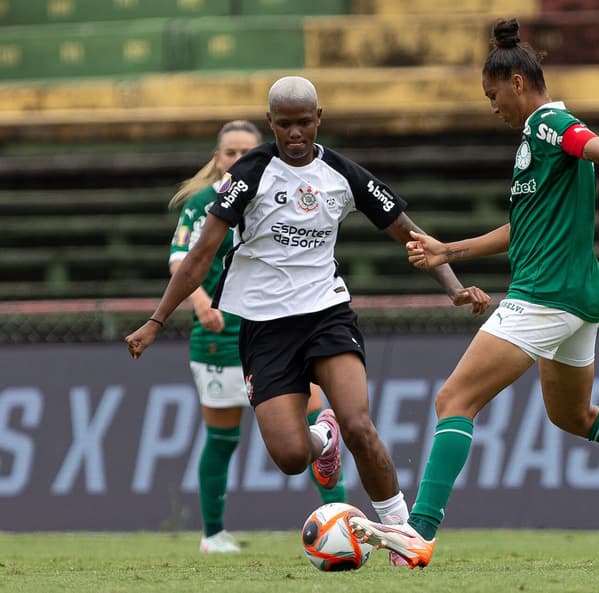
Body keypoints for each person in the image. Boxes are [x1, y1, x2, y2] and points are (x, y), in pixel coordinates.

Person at [348, 18, 599, 568]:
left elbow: (596, 147)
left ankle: (419, 533)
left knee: (454, 401)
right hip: (577, 297)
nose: (492, 105)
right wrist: (446, 251)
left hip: (546, 295)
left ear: (517, 83)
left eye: (493, 94)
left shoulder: (550, 123)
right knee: (573, 416)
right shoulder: (533, 141)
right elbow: (521, 229)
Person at [125, 76, 491, 565]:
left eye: (304, 123)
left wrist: (453, 288)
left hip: (326, 315)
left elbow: (410, 233)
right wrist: (156, 320)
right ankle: (324, 438)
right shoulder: (250, 175)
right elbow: (200, 253)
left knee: (361, 424)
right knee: (292, 457)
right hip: (264, 327)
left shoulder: (343, 175)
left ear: (319, 119)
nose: (295, 133)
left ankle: (405, 536)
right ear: (271, 122)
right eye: (285, 124)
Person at [167, 120, 347, 554]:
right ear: (217, 158)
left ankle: (342, 522)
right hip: (221, 338)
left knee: (316, 424)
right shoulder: (201, 203)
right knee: (223, 438)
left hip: (281, 332)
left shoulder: (279, 195)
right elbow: (181, 260)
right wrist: (201, 304)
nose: (238, 159)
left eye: (247, 151)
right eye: (229, 152)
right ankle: (212, 534)